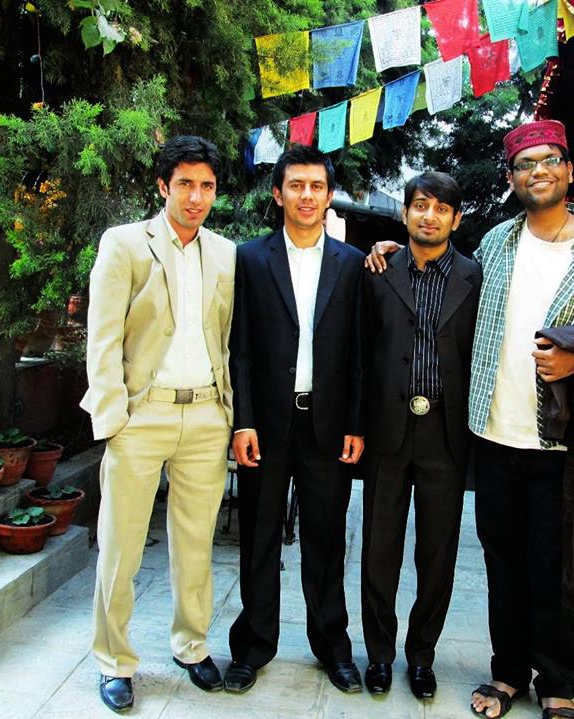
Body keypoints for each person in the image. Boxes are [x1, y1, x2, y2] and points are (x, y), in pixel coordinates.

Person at [366, 120, 574, 719]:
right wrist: (389, 249)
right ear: (511, 179)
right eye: (526, 164)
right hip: (494, 431)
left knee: (556, 562)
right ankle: (507, 675)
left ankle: (556, 683)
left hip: (565, 441)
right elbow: (439, 267)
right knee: (502, 560)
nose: (538, 172)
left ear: (568, 170)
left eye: (549, 160)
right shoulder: (498, 243)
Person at [82, 135, 236, 712]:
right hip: (140, 415)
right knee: (120, 545)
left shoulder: (225, 252)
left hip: (206, 417)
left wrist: (228, 414)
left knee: (195, 545)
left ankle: (191, 647)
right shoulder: (124, 244)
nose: (196, 197)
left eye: (207, 186)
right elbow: (102, 338)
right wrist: (113, 416)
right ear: (163, 186)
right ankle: (114, 660)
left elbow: (229, 338)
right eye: (186, 184)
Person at [226, 145, 365, 695]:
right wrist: (243, 420)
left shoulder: (352, 265)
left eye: (316, 186)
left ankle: (333, 647)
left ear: (329, 195)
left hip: (328, 427)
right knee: (258, 539)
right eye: (296, 186)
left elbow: (359, 353)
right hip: (266, 425)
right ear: (278, 193)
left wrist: (356, 423)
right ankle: (252, 647)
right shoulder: (250, 259)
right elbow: (240, 349)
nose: (306, 196)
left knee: (326, 542)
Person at [360, 172, 481, 700]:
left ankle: (422, 656)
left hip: (446, 435)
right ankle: (380, 655)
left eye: (441, 208)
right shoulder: (379, 270)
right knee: (378, 548)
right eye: (419, 205)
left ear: (456, 218)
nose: (429, 215)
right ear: (405, 214)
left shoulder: (476, 277)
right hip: (388, 429)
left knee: (438, 553)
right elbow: (359, 352)